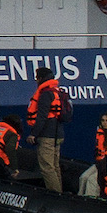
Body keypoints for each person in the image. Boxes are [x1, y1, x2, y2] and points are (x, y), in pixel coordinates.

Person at [24, 64, 71, 193]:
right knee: (55, 165)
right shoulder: (58, 92)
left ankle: (55, 194)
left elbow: (42, 117)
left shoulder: (45, 94)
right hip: (58, 134)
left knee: (47, 166)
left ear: (41, 78)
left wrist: (33, 134)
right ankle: (59, 191)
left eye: (37, 78)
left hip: (47, 136)